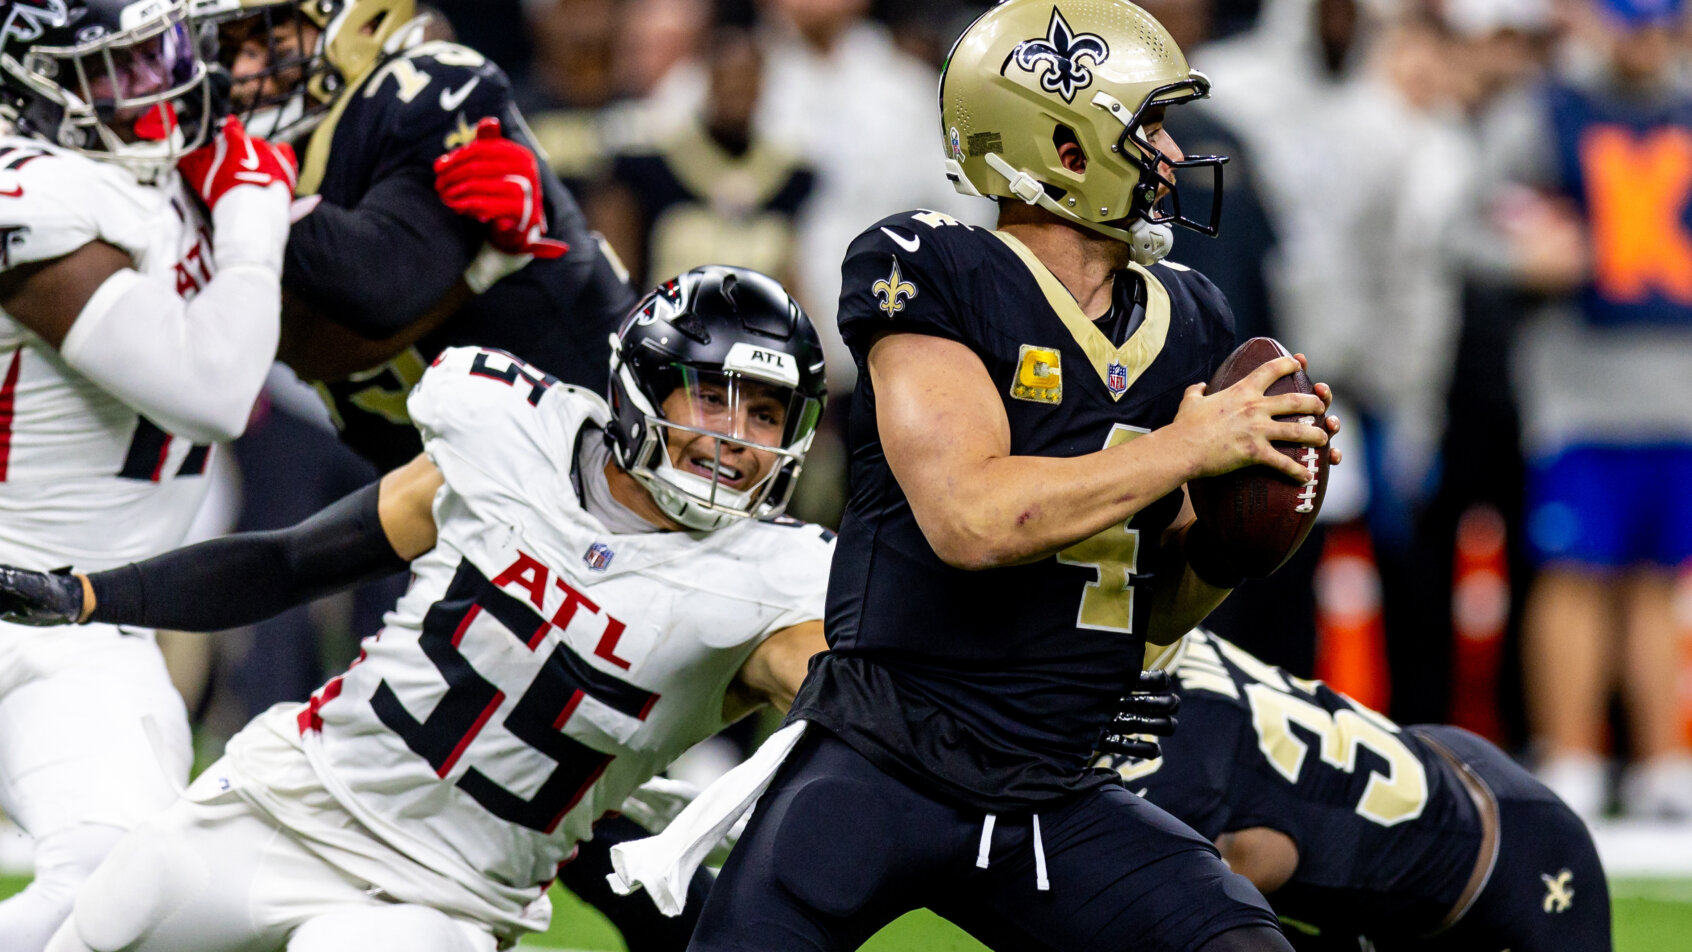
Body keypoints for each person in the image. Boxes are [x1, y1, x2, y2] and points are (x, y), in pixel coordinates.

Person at [614, 3, 1343, 950]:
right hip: (883, 763)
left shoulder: (1192, 319)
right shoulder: (932, 265)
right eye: (1148, 127)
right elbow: (971, 518)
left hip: (1060, 783)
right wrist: (1192, 450)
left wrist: (1238, 541)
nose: (1171, 153)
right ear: (1067, 151)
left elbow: (1148, 605)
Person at [0, 266, 832, 952]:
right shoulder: (517, 439)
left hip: (446, 896)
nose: (740, 437)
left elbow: (861, 711)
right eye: (715, 397)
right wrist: (91, 594)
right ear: (646, 381)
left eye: (767, 412)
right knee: (90, 929)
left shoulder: (772, 579)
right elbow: (296, 560)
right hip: (291, 798)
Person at [0, 1, 297, 947]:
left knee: (127, 897)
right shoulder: (34, 194)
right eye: (116, 69)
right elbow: (210, 388)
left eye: (161, 52)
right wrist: (254, 224)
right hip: (21, 598)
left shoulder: (158, 171)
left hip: (92, 616)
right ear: (34, 85)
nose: (158, 83)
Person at [195, 0, 636, 471]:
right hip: (437, 491)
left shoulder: (431, 85)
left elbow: (379, 286)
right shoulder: (272, 152)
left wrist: (237, 186)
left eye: (270, 44)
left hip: (598, 460)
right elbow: (295, 349)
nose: (241, 73)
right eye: (229, 49)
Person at [1462, 0, 1692, 820]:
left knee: (1658, 582)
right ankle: (1572, 750)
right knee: (1574, 576)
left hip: (1676, 391)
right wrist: (1524, 256)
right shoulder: (1544, 108)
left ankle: (1663, 759)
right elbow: (1464, 224)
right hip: (1579, 388)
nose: (1646, 38)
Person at [1103, 629, 1612, 951]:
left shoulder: (1167, 766)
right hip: (1435, 776)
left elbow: (1255, 858)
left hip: (1507, 865)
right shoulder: (1152, 650)